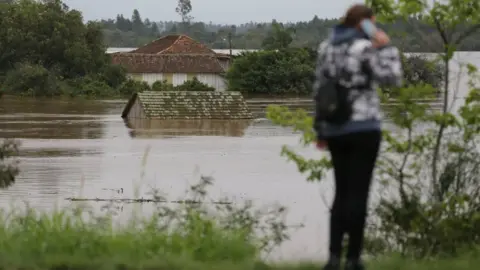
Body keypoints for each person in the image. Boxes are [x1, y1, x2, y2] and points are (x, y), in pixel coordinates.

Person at [312, 4, 403, 270]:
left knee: (341, 192)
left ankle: (332, 258)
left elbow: (319, 90)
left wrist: (320, 129)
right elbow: (392, 78)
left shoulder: (326, 48)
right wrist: (385, 47)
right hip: (364, 128)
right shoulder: (365, 48)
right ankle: (353, 259)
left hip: (336, 129)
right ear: (365, 24)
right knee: (358, 194)